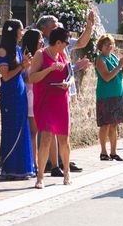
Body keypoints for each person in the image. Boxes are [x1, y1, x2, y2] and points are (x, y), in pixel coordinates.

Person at [35, 12, 93, 177]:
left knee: (62, 131)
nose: (58, 27)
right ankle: (52, 165)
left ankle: (62, 162)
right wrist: (76, 67)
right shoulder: (43, 46)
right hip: (48, 94)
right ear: (44, 29)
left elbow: (82, 42)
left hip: (63, 91)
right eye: (54, 25)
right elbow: (40, 72)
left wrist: (89, 26)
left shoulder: (62, 40)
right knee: (49, 132)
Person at [29, 27, 74, 189]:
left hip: (60, 99)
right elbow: (32, 77)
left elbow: (70, 75)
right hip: (45, 101)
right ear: (58, 42)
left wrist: (67, 84)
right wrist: (50, 69)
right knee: (46, 137)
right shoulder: (40, 54)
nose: (67, 45)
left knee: (64, 138)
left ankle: (67, 172)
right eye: (65, 42)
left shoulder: (63, 54)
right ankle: (40, 176)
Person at [0, 20, 36, 179]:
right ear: (14, 31)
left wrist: (28, 67)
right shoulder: (3, 51)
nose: (23, 33)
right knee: (12, 129)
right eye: (21, 30)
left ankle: (22, 167)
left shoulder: (18, 50)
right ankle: (11, 166)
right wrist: (21, 67)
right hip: (10, 94)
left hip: (20, 92)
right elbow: (6, 76)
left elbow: (24, 77)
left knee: (22, 128)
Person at [94, 34, 123, 161]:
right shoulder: (100, 60)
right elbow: (106, 77)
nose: (110, 46)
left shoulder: (114, 57)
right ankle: (103, 152)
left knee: (115, 124)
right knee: (105, 124)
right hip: (105, 95)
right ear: (101, 47)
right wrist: (120, 64)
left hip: (118, 94)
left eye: (111, 44)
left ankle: (113, 152)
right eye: (106, 44)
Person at [21, 28, 44, 169]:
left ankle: (34, 162)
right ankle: (33, 162)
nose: (42, 41)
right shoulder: (27, 56)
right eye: (40, 38)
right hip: (31, 96)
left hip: (38, 95)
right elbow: (27, 79)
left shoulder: (39, 56)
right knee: (33, 132)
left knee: (36, 131)